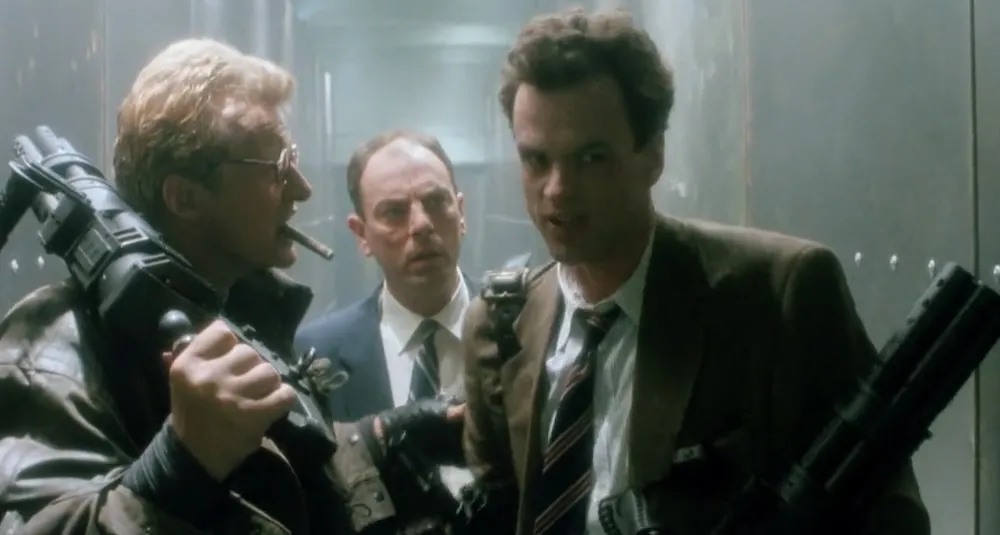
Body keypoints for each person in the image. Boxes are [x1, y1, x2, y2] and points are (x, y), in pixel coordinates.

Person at [460, 8, 931, 535]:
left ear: (653, 154)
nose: (557, 189)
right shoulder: (500, 325)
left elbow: (889, 516)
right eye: (536, 160)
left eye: (591, 158)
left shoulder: (773, 297)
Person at [0, 38, 458, 534]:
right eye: (277, 169)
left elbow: (271, 475)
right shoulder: (55, 354)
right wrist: (177, 467)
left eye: (293, 159)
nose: (302, 189)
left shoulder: (230, 309)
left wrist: (378, 437)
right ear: (186, 198)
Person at [296, 130, 473, 533]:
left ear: (461, 212)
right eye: (394, 212)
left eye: (436, 202)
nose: (422, 225)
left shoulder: (524, 327)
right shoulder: (317, 353)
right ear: (361, 234)